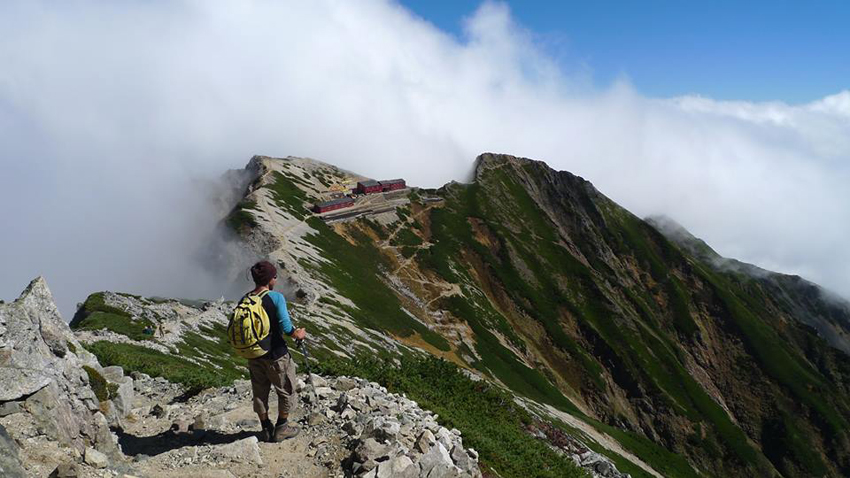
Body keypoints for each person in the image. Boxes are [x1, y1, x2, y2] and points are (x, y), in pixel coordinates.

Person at [244, 260, 307, 442]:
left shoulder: (246, 298)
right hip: (275, 354)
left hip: (254, 355)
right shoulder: (276, 297)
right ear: (270, 279)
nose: (276, 279)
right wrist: (299, 333)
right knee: (286, 389)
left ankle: (265, 428)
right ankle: (282, 427)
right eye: (274, 276)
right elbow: (287, 328)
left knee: (260, 391)